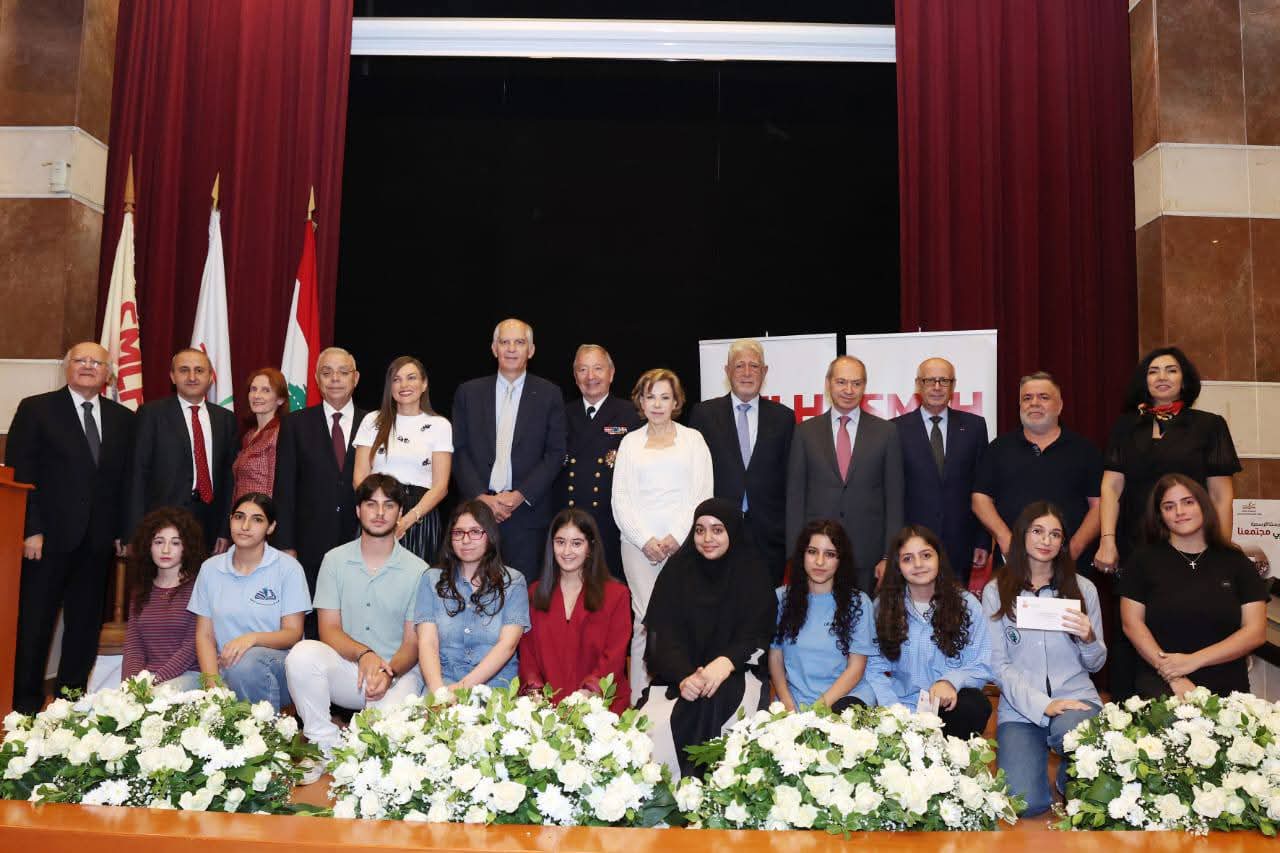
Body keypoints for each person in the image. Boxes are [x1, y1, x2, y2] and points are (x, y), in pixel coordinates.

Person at [1095, 347, 1242, 697]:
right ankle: (1128, 719)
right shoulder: (1126, 426)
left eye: (1170, 370)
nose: (1161, 377)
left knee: (1190, 618)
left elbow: (1221, 494)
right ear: (1143, 382)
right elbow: (1111, 486)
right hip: (1136, 546)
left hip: (1194, 547)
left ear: (1184, 379)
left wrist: (1218, 546)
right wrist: (1107, 538)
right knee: (1133, 631)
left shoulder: (1209, 425)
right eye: (1153, 371)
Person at [5, 342, 136, 713]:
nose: (88, 366)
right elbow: (21, 475)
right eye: (81, 360)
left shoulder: (122, 418)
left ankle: (70, 702)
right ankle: (25, 705)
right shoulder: (37, 409)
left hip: (97, 542)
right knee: (35, 623)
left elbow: (125, 482)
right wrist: (30, 528)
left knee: (84, 626)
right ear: (67, 367)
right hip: (44, 540)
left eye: (97, 362)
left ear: (108, 373)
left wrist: (123, 533)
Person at [285, 475, 427, 781]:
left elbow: (413, 645)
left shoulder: (419, 570)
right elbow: (328, 630)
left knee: (373, 756)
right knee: (302, 654)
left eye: (388, 505)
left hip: (397, 674)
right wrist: (364, 655)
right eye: (371, 504)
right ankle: (324, 744)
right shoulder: (334, 561)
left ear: (400, 512)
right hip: (351, 671)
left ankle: (352, 741)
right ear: (358, 511)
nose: (379, 512)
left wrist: (388, 672)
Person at [982, 502, 1106, 817]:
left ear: (1063, 543)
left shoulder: (1084, 589)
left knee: (1075, 747)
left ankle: (1069, 778)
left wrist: (1089, 639)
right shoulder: (997, 590)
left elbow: (1096, 664)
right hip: (1020, 709)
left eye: (1055, 534)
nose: (1046, 541)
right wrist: (1042, 704)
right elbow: (998, 666)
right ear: (1022, 535)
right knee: (1024, 804)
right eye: (1038, 531)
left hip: (1076, 700)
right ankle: (1053, 765)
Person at [638, 499, 776, 780]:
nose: (707, 538)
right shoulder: (677, 572)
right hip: (680, 678)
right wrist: (684, 676)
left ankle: (709, 795)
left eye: (717, 530)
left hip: (736, 673)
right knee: (672, 714)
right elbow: (659, 640)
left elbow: (760, 636)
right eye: (699, 530)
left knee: (717, 702)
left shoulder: (753, 573)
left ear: (733, 532)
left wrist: (725, 662)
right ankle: (672, 802)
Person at [612, 368, 714, 698]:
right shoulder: (629, 443)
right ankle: (642, 698)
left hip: (683, 546)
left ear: (676, 402)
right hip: (638, 549)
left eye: (665, 397)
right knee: (644, 621)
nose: (657, 404)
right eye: (650, 396)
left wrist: (676, 536)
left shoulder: (693, 440)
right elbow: (621, 498)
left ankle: (683, 693)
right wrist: (645, 540)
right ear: (641, 401)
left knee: (684, 618)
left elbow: (702, 493)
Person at [1120, 474, 1267, 699]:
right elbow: (1132, 624)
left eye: (1188, 502)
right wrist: (1174, 676)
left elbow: (1255, 632)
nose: (1179, 512)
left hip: (1228, 688)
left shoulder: (1235, 561)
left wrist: (1192, 661)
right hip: (1162, 683)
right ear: (1160, 516)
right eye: (1169, 506)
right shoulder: (1142, 561)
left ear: (1204, 505)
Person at [451, 318, 567, 581]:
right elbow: (459, 450)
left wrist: (519, 495)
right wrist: (483, 498)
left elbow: (555, 453)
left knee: (523, 597)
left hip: (526, 515)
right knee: (473, 590)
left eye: (519, 342)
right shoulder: (469, 392)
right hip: (476, 514)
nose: (511, 348)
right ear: (494, 348)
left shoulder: (549, 394)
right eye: (505, 342)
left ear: (531, 350)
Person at [272, 346, 369, 639]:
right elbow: (284, 487)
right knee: (314, 625)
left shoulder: (375, 422)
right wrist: (286, 545)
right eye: (327, 372)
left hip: (362, 539)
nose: (335, 379)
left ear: (356, 378)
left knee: (360, 617)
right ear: (316, 379)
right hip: (310, 544)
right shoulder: (295, 424)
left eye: (343, 372)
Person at [786, 355, 904, 592]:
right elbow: (795, 497)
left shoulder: (887, 432)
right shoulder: (804, 432)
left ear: (864, 387)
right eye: (841, 382)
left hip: (867, 556)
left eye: (856, 383)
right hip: (817, 555)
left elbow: (895, 498)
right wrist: (795, 553)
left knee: (864, 624)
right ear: (828, 383)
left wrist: (888, 555)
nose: (849, 390)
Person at [865, 525, 993, 740]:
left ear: (939, 559)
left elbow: (981, 664)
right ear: (898, 566)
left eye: (926, 555)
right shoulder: (883, 606)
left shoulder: (967, 605)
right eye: (907, 559)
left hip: (947, 707)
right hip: (899, 706)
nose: (918, 565)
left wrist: (950, 681)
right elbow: (872, 667)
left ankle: (949, 764)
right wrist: (893, 710)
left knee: (975, 704)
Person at [188, 493, 311, 710]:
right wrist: (213, 687)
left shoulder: (288, 568)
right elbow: (204, 635)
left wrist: (251, 639)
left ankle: (263, 736)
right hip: (222, 667)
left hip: (279, 668)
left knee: (245, 664)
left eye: (257, 519)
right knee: (170, 695)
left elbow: (292, 634)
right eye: (239, 517)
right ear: (230, 520)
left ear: (271, 527)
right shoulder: (210, 568)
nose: (245, 526)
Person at [689, 339, 795, 583]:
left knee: (765, 610)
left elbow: (790, 479)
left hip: (768, 536)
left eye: (754, 366)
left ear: (764, 371)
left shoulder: (784, 418)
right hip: (717, 532)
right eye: (739, 366)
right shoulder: (704, 414)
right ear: (727, 371)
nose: (747, 373)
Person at [971, 371, 1102, 563]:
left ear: (1060, 406)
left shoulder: (1085, 450)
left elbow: (1098, 506)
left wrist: (1074, 548)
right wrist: (1005, 540)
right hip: (1012, 563)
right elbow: (980, 499)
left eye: (1044, 397)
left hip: (1071, 564)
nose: (1034, 403)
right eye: (1027, 398)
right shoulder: (999, 448)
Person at [519, 508, 631, 714]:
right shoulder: (534, 593)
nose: (567, 551)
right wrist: (537, 697)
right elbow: (527, 655)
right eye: (560, 542)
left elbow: (613, 657)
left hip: (600, 708)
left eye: (576, 543)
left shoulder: (617, 595)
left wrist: (584, 697)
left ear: (590, 547)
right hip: (545, 708)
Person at [128, 348, 238, 552]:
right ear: (172, 376)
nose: (192, 377)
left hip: (210, 523)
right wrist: (134, 530)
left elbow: (229, 480)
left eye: (199, 370)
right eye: (184, 370)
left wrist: (225, 529)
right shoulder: (151, 414)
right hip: (161, 523)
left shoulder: (225, 419)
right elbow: (137, 474)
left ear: (210, 377)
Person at [415, 500, 530, 693]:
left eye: (475, 532)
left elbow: (507, 646)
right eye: (458, 533)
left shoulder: (514, 582)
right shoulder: (431, 579)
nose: (466, 540)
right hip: (442, 684)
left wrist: (461, 689)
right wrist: (439, 692)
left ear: (490, 535)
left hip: (494, 689)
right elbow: (427, 642)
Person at [892, 358, 989, 587]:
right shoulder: (894, 429)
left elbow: (981, 486)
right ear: (918, 385)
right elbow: (892, 492)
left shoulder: (974, 427)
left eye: (944, 380)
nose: (937, 387)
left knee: (954, 616)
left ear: (953, 386)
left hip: (960, 545)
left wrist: (982, 541)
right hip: (912, 547)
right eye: (929, 380)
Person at [554, 344, 643, 581]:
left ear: (611, 374)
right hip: (569, 527)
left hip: (610, 526)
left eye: (597, 369)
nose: (590, 376)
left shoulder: (632, 415)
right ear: (575, 377)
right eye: (583, 370)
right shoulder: (560, 414)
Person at [769, 520, 877, 712]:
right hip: (793, 702)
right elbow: (775, 658)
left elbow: (856, 668)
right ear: (802, 555)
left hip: (845, 700)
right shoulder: (781, 598)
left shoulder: (859, 603)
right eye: (812, 552)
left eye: (830, 554)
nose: (820, 562)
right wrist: (787, 705)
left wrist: (817, 709)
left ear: (840, 559)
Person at [353, 356, 452, 562]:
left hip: (419, 517)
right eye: (396, 379)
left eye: (411, 378)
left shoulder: (439, 425)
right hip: (377, 511)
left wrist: (406, 521)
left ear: (424, 384)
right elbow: (359, 477)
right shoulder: (372, 420)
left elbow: (440, 486)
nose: (404, 385)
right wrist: (379, 512)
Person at [121, 507, 207, 690]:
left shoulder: (198, 587)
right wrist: (130, 684)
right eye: (159, 542)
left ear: (187, 547)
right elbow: (133, 645)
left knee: (155, 700)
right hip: (149, 678)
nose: (166, 549)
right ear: (148, 546)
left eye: (175, 543)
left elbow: (191, 647)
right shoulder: (141, 589)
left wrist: (155, 681)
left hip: (189, 676)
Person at [231, 367, 287, 498]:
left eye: (266, 390)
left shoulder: (279, 434)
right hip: (242, 512)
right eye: (253, 389)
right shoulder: (249, 435)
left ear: (280, 399)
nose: (256, 395)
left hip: (261, 513)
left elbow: (276, 486)